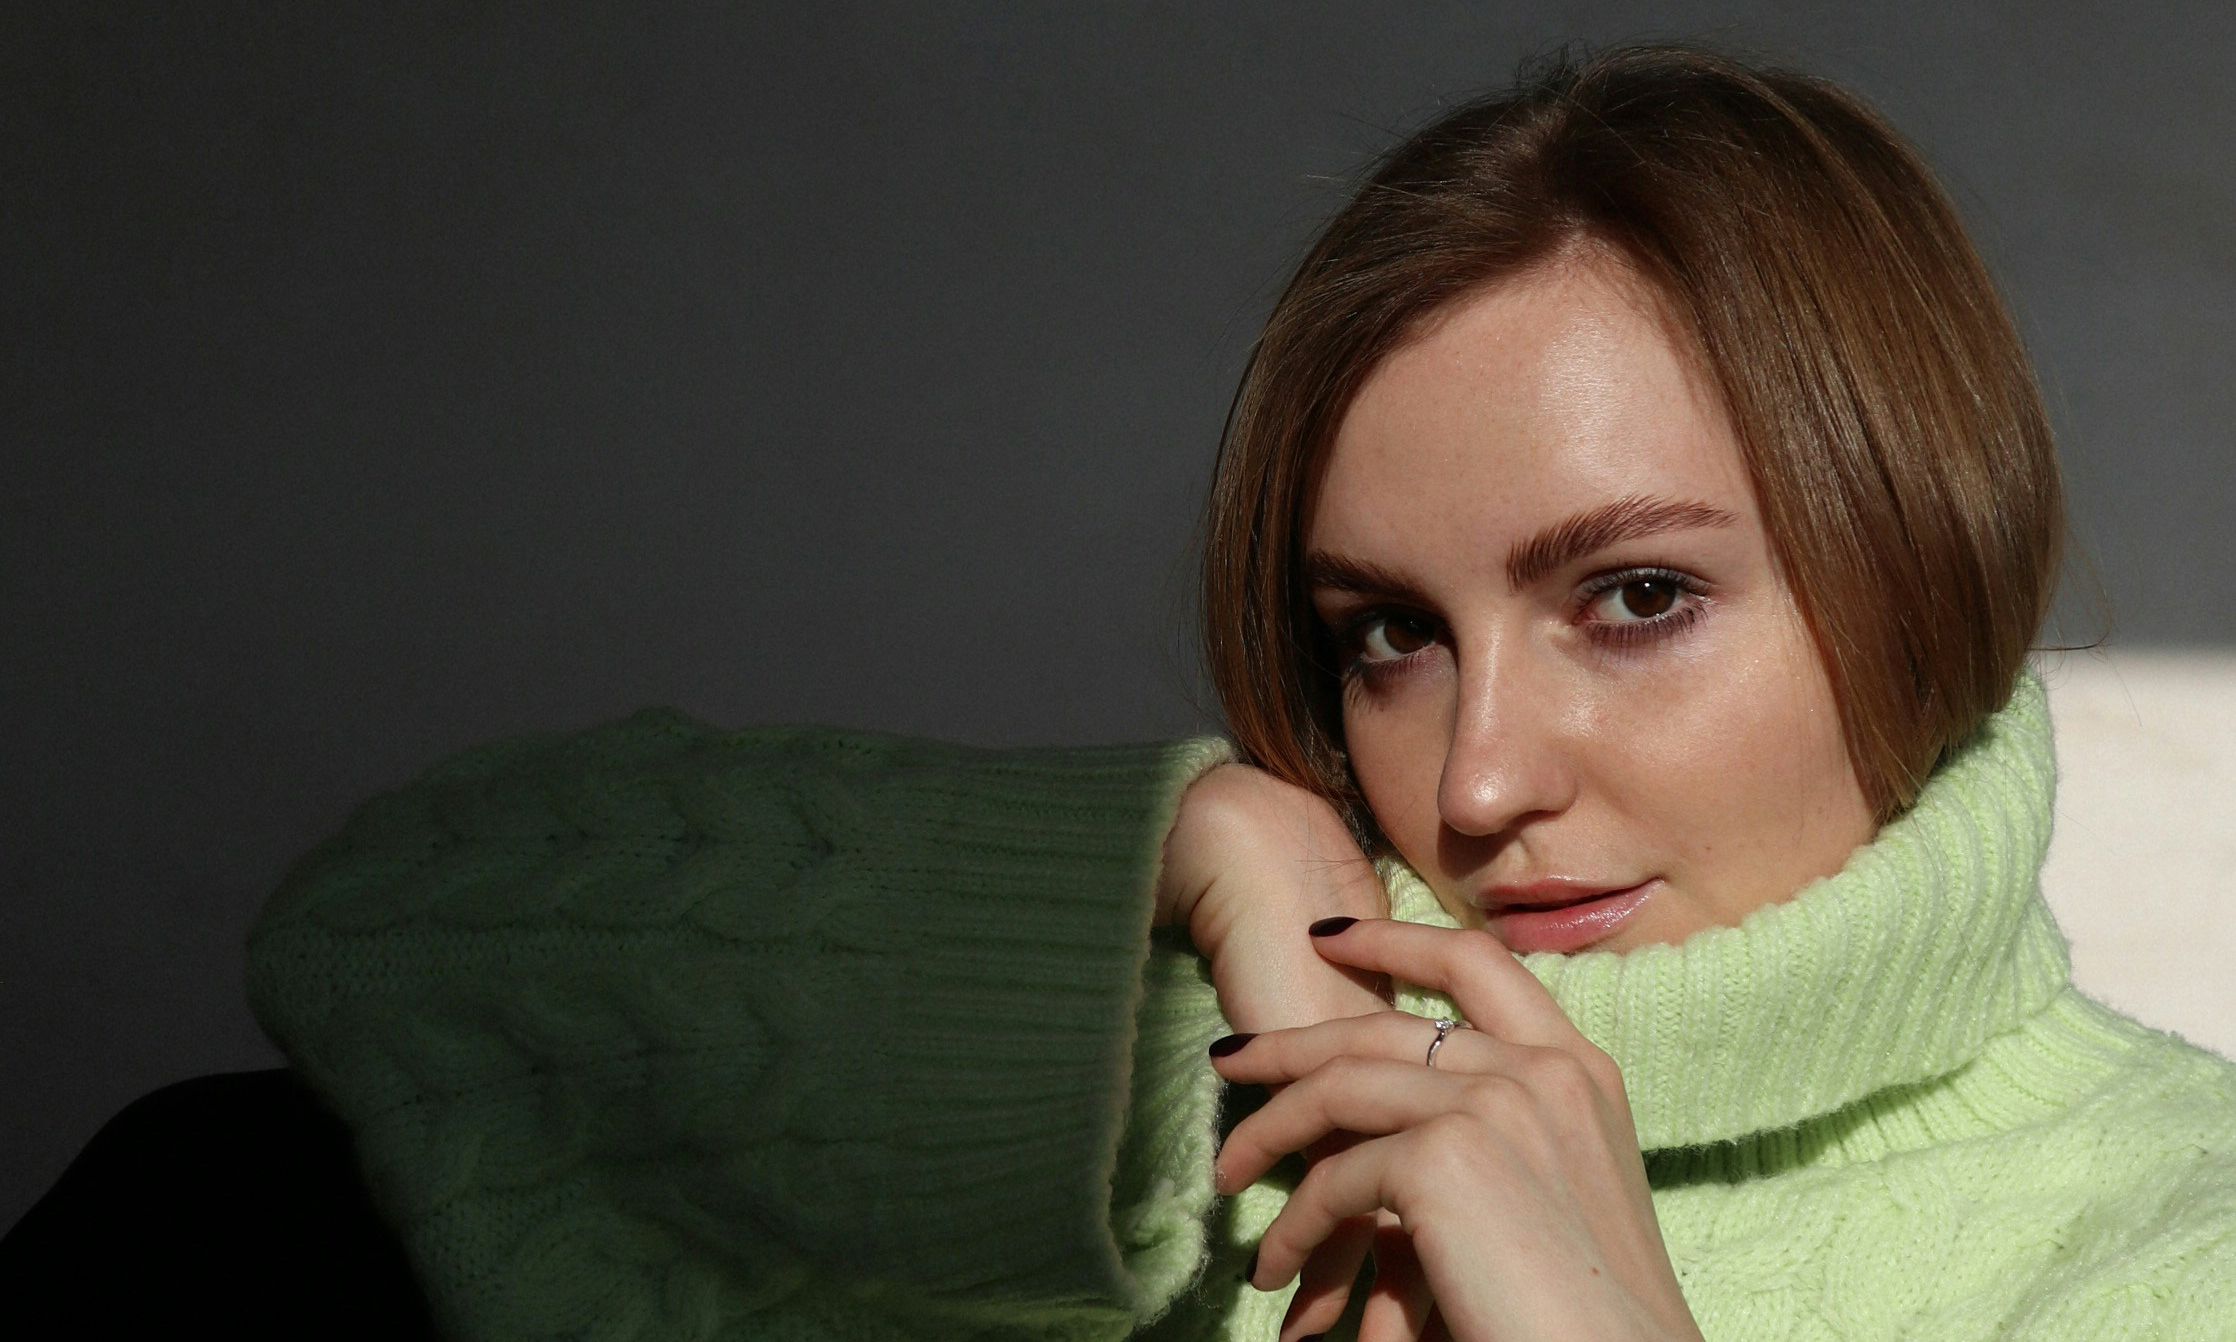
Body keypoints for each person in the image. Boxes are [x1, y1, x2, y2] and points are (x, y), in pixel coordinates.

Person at [183, 39, 2236, 1342]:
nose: (1476, 780)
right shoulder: (1222, 1070)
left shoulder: (2166, 1235)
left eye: (1633, 595)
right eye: (1386, 634)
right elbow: (388, 942)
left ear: (1925, 566)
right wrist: (1200, 834)